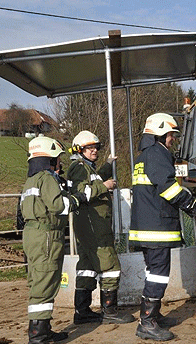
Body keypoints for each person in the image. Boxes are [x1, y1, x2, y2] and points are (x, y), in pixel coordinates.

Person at [130, 113, 196, 341]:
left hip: (146, 227)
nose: (173, 139)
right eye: (171, 134)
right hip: (157, 228)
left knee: (152, 272)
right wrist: (193, 206)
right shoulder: (157, 154)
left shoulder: (144, 156)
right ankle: (147, 323)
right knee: (159, 275)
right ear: (160, 134)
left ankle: (153, 315)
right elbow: (167, 188)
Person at [21, 136, 87, 343]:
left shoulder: (30, 180)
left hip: (32, 234)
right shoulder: (46, 178)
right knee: (45, 281)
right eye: (58, 159)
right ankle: (38, 335)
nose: (60, 163)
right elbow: (59, 206)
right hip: (47, 235)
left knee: (38, 279)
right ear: (49, 160)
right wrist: (78, 198)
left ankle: (43, 329)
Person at [66, 130, 135, 325]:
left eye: (96, 147)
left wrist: (107, 165)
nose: (94, 150)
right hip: (94, 227)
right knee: (110, 266)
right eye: (90, 148)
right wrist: (105, 185)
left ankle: (82, 311)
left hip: (88, 227)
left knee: (87, 267)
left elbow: (93, 180)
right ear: (80, 150)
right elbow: (83, 192)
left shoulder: (85, 167)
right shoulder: (79, 168)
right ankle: (110, 311)